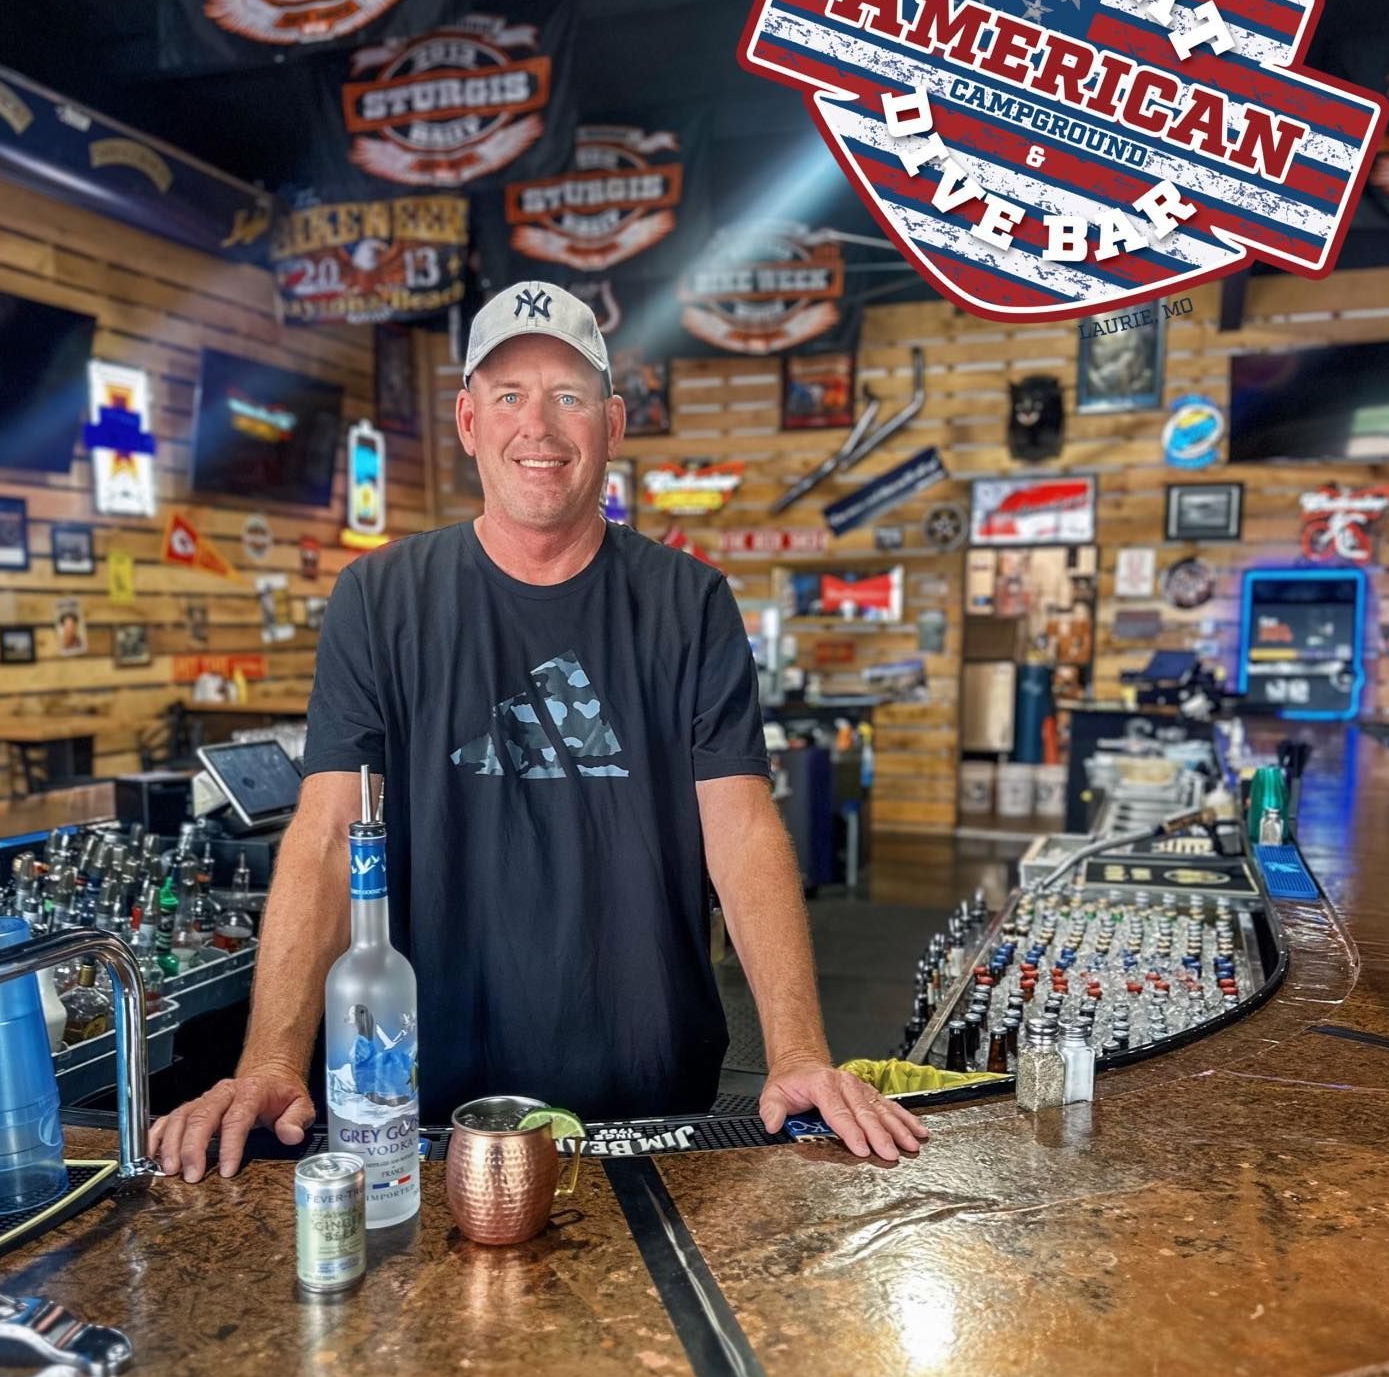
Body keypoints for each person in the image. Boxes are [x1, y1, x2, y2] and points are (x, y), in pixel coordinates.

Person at [151, 282, 927, 1180]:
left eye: (568, 396)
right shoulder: (381, 599)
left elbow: (742, 831)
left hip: (650, 1088)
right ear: (468, 420)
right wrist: (272, 1062)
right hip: (425, 1093)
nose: (540, 427)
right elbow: (329, 833)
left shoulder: (688, 603)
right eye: (510, 396)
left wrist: (798, 1053)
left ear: (613, 422)